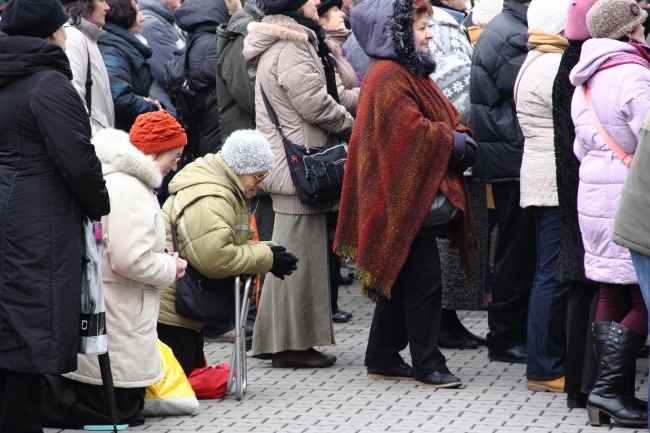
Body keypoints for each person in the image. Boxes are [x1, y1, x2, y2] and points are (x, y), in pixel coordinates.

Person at [335, 0, 477, 388]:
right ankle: (428, 363)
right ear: (396, 33)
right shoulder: (388, 76)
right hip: (398, 197)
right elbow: (411, 134)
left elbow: (441, 115)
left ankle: (381, 355)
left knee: (399, 274)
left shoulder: (406, 71)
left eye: (427, 27)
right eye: (421, 28)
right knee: (425, 282)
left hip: (405, 193)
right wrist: (457, 143)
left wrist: (453, 133)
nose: (429, 34)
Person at [0, 0, 111, 430]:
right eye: (63, 29)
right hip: (39, 226)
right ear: (50, 34)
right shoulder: (50, 84)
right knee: (31, 333)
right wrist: (99, 205)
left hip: (13, 220)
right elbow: (79, 161)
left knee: (10, 332)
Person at [40, 111, 188, 427]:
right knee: (116, 404)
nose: (175, 165)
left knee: (114, 398)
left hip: (112, 302)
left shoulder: (121, 180)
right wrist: (168, 266)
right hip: (120, 306)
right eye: (173, 156)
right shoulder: (129, 187)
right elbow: (129, 258)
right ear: (154, 152)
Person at [244, 0, 354, 367]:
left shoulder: (283, 42)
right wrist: (354, 125)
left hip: (292, 165)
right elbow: (315, 105)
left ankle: (283, 342)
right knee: (297, 260)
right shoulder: (291, 46)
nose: (317, 3)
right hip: (298, 168)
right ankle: (291, 347)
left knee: (289, 258)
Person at [157, 129, 298, 377]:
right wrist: (267, 258)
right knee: (186, 384)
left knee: (188, 379)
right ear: (240, 168)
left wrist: (268, 251)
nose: (261, 184)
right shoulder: (211, 196)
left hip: (182, 305)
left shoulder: (223, 187)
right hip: (172, 310)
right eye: (258, 176)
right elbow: (215, 257)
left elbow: (223, 245)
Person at [570, 0, 650, 426]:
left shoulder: (585, 77)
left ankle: (607, 397)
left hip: (593, 195)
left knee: (609, 290)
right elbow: (648, 135)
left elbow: (580, 145)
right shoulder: (634, 73)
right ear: (628, 31)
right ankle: (608, 391)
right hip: (629, 196)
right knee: (643, 295)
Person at [469, 0, 534, 365]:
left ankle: (510, 333)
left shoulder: (508, 27)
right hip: (512, 154)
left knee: (515, 245)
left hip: (508, 151)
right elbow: (527, 94)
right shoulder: (514, 34)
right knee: (516, 248)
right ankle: (507, 337)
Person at [513, 0, 569, 393]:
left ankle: (545, 362)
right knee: (550, 274)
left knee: (546, 271)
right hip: (551, 181)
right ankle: (545, 367)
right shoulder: (550, 66)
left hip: (541, 176)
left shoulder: (535, 59)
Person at [427, 1, 488, 350]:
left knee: (454, 238)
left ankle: (448, 320)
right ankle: (442, 321)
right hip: (453, 148)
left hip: (455, 147)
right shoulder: (443, 27)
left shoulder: (444, 23)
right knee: (448, 235)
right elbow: (458, 92)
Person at [551, 0, 601, 409]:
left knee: (581, 284)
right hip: (586, 185)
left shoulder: (570, 62)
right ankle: (584, 385)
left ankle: (577, 387)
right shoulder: (583, 67)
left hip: (574, 184)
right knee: (590, 284)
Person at [317, 0, 359, 324]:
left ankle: (330, 302)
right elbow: (335, 96)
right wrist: (368, 92)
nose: (342, 14)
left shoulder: (335, 48)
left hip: (341, 137)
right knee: (328, 225)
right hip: (334, 140)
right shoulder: (324, 49)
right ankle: (327, 304)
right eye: (335, 10)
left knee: (332, 226)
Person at [99, 0, 161, 132]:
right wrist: (151, 108)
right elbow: (119, 96)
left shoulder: (119, 43)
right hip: (125, 130)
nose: (143, 17)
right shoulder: (112, 49)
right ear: (121, 15)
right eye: (136, 12)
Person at [61, 0, 115, 135]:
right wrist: (94, 140)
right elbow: (73, 98)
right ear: (82, 4)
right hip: (93, 143)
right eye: (101, 1)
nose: (107, 7)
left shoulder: (88, 36)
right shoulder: (72, 37)